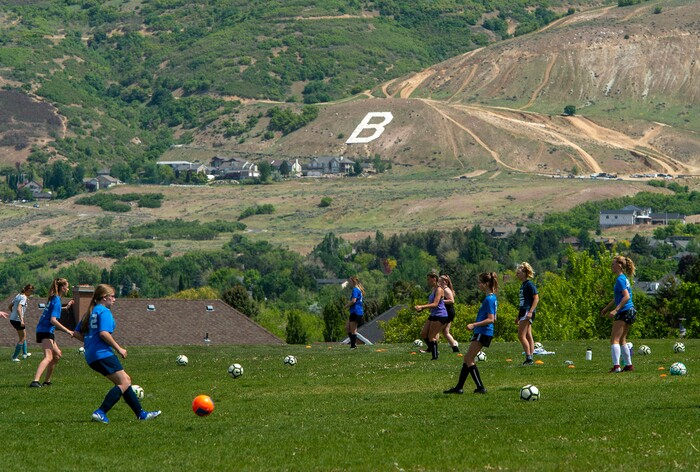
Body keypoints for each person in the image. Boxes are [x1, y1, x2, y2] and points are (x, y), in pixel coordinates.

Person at [73, 284, 161, 423]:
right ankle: (101, 412)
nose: (114, 299)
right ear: (104, 297)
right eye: (112, 296)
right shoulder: (104, 311)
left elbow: (76, 333)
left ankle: (141, 414)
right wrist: (119, 348)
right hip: (103, 353)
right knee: (125, 381)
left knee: (124, 382)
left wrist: (89, 342)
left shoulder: (90, 312)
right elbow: (103, 333)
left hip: (91, 355)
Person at [444, 272, 498, 394]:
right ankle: (459, 387)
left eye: (480, 283)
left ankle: (480, 387)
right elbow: (495, 317)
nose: (478, 285)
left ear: (486, 284)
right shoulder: (492, 298)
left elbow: (491, 319)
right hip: (483, 332)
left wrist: (474, 325)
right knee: (467, 359)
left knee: (469, 359)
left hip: (483, 332)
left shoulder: (489, 299)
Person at [30, 278, 74, 388]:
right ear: (62, 288)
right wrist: (68, 331)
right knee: (48, 357)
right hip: (45, 330)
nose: (68, 288)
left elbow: (52, 310)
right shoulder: (56, 300)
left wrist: (66, 307)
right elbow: (53, 320)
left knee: (57, 354)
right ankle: (35, 381)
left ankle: (47, 381)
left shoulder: (54, 298)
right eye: (67, 286)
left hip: (44, 329)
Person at [601, 256, 636, 373]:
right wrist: (607, 308)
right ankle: (628, 365)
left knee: (614, 340)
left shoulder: (620, 279)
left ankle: (616, 366)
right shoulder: (624, 279)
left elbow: (626, 297)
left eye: (613, 264)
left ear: (619, 266)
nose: (612, 266)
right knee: (622, 340)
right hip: (631, 311)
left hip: (624, 311)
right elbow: (617, 297)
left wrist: (616, 310)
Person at [415, 272, 448, 360]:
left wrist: (422, 306)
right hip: (434, 314)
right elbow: (431, 304)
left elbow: (435, 304)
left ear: (434, 279)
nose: (427, 281)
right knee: (424, 333)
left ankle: (434, 356)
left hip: (440, 315)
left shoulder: (439, 289)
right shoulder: (433, 289)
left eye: (428, 279)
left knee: (432, 336)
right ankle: (432, 349)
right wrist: (422, 309)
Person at [515, 263, 539, 365]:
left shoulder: (529, 284)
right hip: (523, 311)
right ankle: (531, 356)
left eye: (519, 272)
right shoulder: (523, 285)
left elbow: (536, 298)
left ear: (525, 273)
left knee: (521, 335)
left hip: (527, 312)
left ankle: (528, 358)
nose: (517, 274)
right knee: (528, 335)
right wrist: (518, 316)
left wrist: (530, 312)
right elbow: (522, 302)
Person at [9, 284, 35, 362]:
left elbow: (10, 306)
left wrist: (13, 314)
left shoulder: (18, 295)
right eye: (31, 291)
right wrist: (21, 320)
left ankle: (25, 353)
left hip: (12, 319)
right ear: (27, 291)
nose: (31, 293)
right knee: (22, 337)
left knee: (23, 336)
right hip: (17, 320)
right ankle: (14, 357)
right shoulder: (24, 297)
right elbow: (19, 308)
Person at [439, 275, 460, 353]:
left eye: (440, 281)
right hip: (449, 312)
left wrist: (440, 301)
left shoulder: (446, 290)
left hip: (448, 312)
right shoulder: (444, 289)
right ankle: (455, 348)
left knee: (436, 330)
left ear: (445, 282)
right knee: (445, 332)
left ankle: (432, 349)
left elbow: (452, 301)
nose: (438, 282)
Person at [345, 276, 365, 349]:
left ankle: (353, 346)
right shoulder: (358, 289)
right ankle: (354, 343)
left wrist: (346, 305)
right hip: (355, 312)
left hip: (356, 311)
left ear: (354, 282)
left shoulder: (355, 290)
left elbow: (354, 300)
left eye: (350, 282)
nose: (349, 283)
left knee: (353, 330)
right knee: (347, 328)